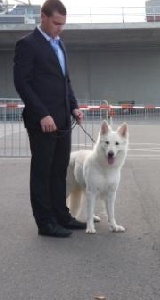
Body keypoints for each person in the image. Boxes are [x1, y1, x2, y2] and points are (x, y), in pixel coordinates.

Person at [13, 0, 85, 237]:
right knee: (43, 172)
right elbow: (22, 83)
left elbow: (65, 81)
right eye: (56, 23)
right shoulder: (27, 45)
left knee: (59, 170)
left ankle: (61, 216)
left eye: (63, 24)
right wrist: (42, 113)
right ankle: (45, 223)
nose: (60, 29)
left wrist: (74, 107)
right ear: (42, 16)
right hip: (42, 121)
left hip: (63, 120)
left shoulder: (60, 44)